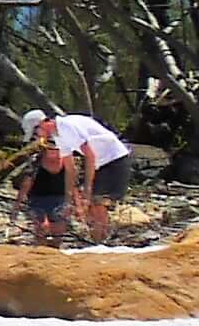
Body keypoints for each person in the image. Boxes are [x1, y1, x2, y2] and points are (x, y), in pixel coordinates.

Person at [20, 105, 135, 246]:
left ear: (42, 124)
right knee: (92, 206)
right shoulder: (59, 136)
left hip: (114, 159)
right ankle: (98, 241)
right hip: (101, 163)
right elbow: (70, 168)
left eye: (36, 133)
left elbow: (90, 155)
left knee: (98, 202)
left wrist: (87, 188)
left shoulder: (66, 127)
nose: (38, 137)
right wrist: (69, 199)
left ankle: (101, 243)